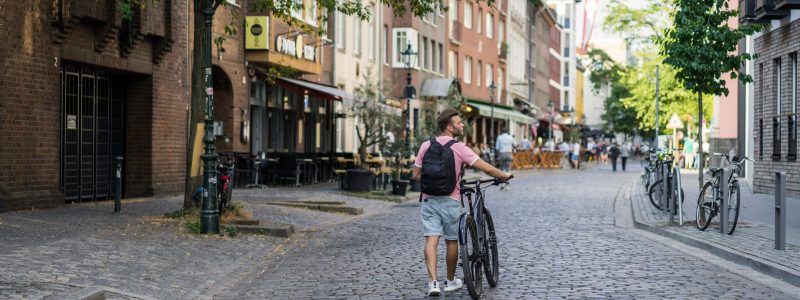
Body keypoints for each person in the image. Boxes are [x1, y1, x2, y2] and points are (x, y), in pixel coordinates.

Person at [412, 108, 512, 296]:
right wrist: (504, 175)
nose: (462, 125)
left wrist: (434, 180)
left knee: (431, 239)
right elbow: (486, 168)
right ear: (449, 127)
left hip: (429, 200)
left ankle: (433, 283)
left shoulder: (426, 146)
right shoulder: (459, 148)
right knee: (452, 241)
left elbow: (415, 175)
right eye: (459, 123)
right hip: (451, 199)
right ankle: (450, 281)